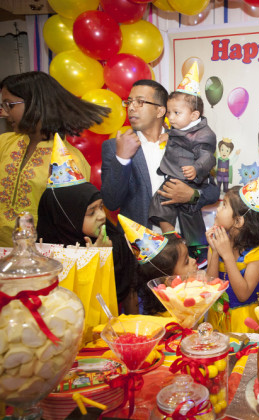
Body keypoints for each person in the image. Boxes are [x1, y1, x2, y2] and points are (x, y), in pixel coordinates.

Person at [0, 71, 108, 246]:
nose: (4, 112)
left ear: (35, 104)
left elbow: (71, 223)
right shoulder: (5, 143)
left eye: (9, 104)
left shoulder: (70, 161)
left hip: (39, 257)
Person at [101, 79, 220, 237]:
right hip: (140, 247)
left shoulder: (189, 142)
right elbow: (111, 201)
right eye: (129, 101)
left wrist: (192, 196)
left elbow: (212, 191)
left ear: (160, 111)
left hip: (187, 243)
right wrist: (122, 158)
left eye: (140, 102)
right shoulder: (115, 146)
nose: (131, 107)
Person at [37, 135, 137, 311]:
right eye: (91, 212)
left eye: (100, 208)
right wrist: (88, 261)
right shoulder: (42, 258)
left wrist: (104, 258)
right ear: (66, 218)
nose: (101, 216)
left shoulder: (117, 243)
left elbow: (127, 296)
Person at [148, 64, 216, 249]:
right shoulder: (177, 128)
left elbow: (208, 157)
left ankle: (196, 247)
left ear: (194, 115)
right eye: (169, 112)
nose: (171, 117)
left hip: (189, 179)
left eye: (176, 113)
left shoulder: (204, 134)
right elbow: (180, 135)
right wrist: (168, 134)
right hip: (173, 176)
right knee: (161, 201)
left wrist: (196, 170)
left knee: (187, 212)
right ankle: (170, 237)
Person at [204, 171, 259, 333]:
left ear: (238, 221)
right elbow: (210, 287)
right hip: (217, 319)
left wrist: (227, 256)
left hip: (243, 323)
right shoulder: (217, 243)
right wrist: (215, 251)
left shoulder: (257, 254)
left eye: (224, 205)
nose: (218, 209)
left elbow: (243, 294)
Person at [118, 215, 198, 315]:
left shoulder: (195, 292)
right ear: (170, 281)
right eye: (186, 261)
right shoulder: (172, 319)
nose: (193, 260)